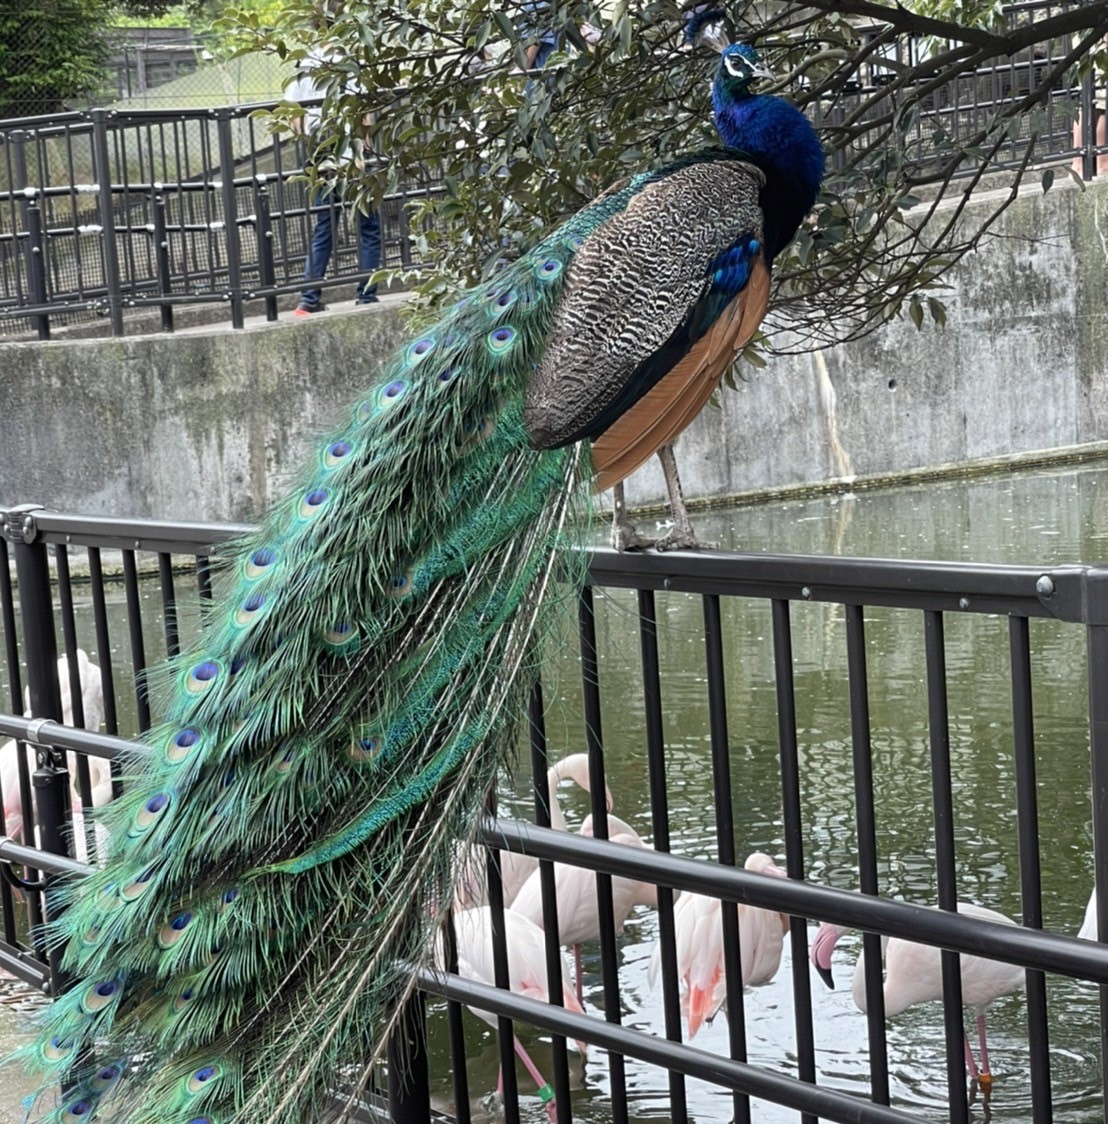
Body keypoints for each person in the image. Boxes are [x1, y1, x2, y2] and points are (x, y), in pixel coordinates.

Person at [287, 26, 381, 315]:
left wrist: (307, 145)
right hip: (352, 155)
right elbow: (364, 112)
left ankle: (309, 298)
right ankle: (366, 295)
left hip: (322, 157)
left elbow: (292, 113)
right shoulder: (351, 61)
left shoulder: (305, 62)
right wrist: (365, 148)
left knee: (323, 229)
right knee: (368, 226)